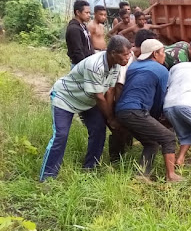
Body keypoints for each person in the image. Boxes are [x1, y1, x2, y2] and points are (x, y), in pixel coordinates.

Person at [40, 36, 132, 181]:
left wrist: (112, 118)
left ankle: (90, 168)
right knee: (61, 135)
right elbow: (99, 97)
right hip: (65, 98)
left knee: (98, 130)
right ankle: (47, 177)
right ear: (113, 53)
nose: (129, 57)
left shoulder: (115, 65)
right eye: (125, 54)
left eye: (129, 53)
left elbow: (109, 91)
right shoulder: (95, 65)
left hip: (86, 101)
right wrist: (110, 118)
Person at [115, 39, 183, 182]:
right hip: (136, 111)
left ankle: (141, 175)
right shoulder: (162, 70)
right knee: (168, 138)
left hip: (121, 110)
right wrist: (156, 118)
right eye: (163, 52)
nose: (164, 55)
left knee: (151, 142)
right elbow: (159, 99)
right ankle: (171, 175)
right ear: (155, 54)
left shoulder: (134, 66)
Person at [109, 29, 159, 163]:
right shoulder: (128, 59)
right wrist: (118, 109)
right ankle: (115, 159)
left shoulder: (136, 59)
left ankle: (125, 151)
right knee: (120, 128)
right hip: (119, 99)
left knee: (127, 128)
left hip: (127, 100)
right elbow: (119, 85)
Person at [66, 0, 93, 67]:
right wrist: (83, 66)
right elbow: (77, 50)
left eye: (89, 13)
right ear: (78, 12)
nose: (89, 15)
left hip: (87, 63)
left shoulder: (83, 26)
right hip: (80, 65)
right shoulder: (74, 29)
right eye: (86, 13)